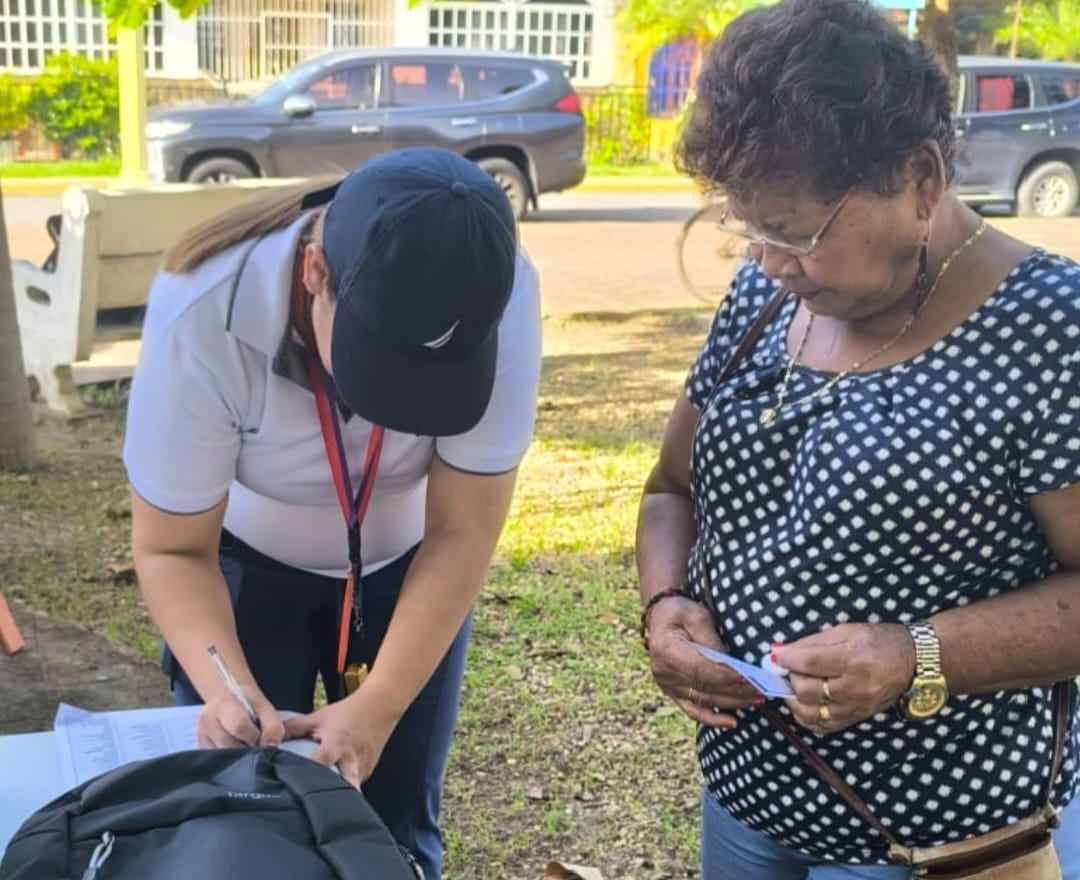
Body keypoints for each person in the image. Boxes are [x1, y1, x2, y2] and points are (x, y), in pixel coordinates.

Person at [634, 2, 1080, 878]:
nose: (768, 261)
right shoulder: (765, 297)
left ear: (919, 178)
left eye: (797, 232)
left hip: (942, 839)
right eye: (748, 227)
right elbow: (669, 488)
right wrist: (666, 602)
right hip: (749, 800)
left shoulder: (1051, 330)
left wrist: (915, 655)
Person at [123, 147, 541, 880]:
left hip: (412, 565)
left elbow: (463, 528)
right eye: (379, 365)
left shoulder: (497, 291)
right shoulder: (203, 305)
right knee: (239, 810)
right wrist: (228, 691)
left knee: (395, 823)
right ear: (315, 272)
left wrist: (379, 705)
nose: (398, 407)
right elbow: (172, 548)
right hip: (246, 569)